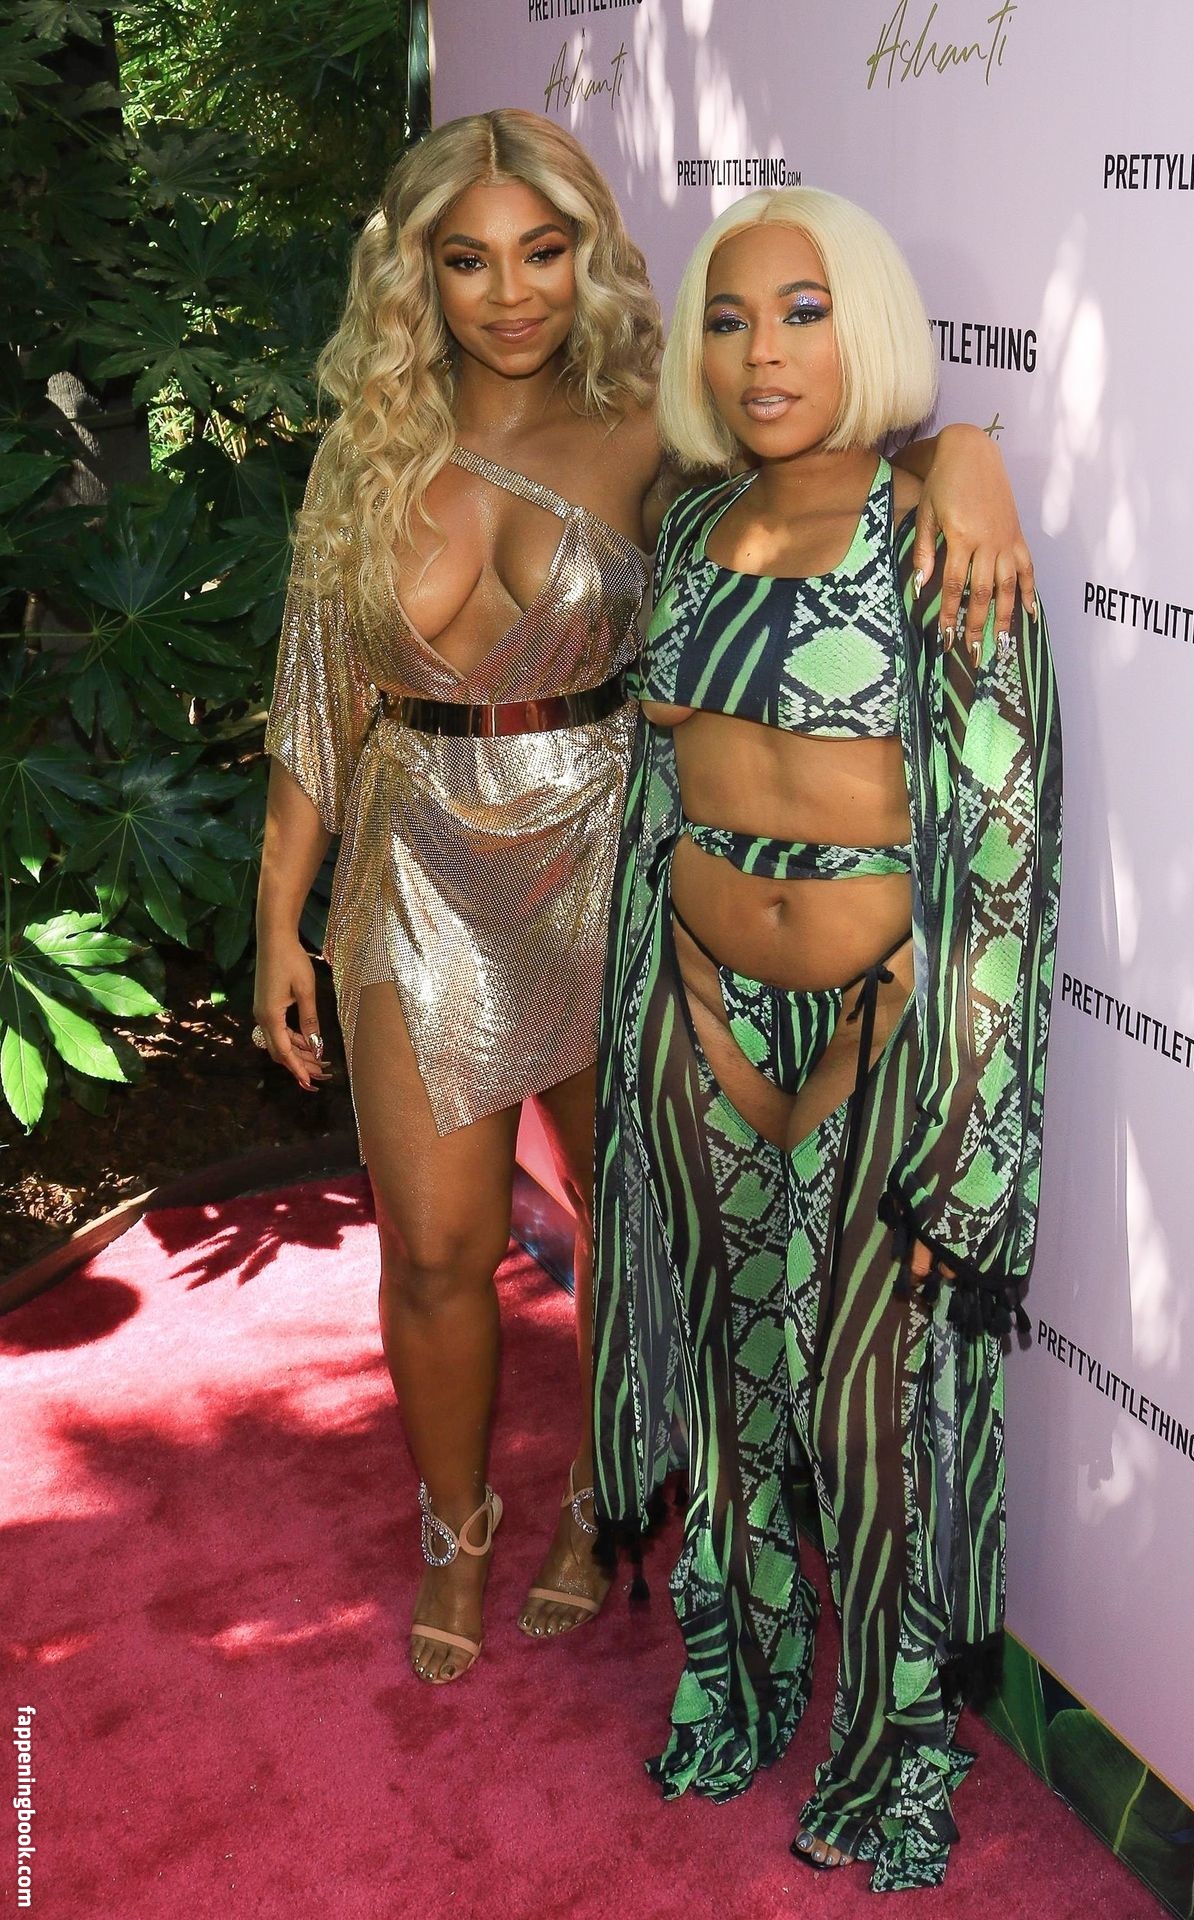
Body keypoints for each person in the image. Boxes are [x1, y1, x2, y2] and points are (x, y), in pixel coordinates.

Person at [253, 108, 1039, 1689]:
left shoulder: (655, 436)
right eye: (468, 261)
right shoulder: (368, 448)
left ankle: (602, 1492)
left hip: (606, 855)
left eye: (542, 251)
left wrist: (967, 454)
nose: (511, 292)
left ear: (587, 255)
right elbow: (318, 690)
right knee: (436, 1245)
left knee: (637, 1229)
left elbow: (822, 471)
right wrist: (281, 910)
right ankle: (456, 1524)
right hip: (416, 863)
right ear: (419, 278)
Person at [592, 186, 1061, 1888]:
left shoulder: (943, 536)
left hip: (882, 1039)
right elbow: (660, 795)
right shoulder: (690, 531)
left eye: (802, 312)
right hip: (697, 1017)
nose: (763, 352)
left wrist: (968, 1133)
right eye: (729, 319)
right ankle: (737, 1681)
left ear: (865, 324)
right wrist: (657, 1022)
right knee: (731, 1396)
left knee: (871, 1423)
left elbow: (998, 853)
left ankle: (892, 1751)